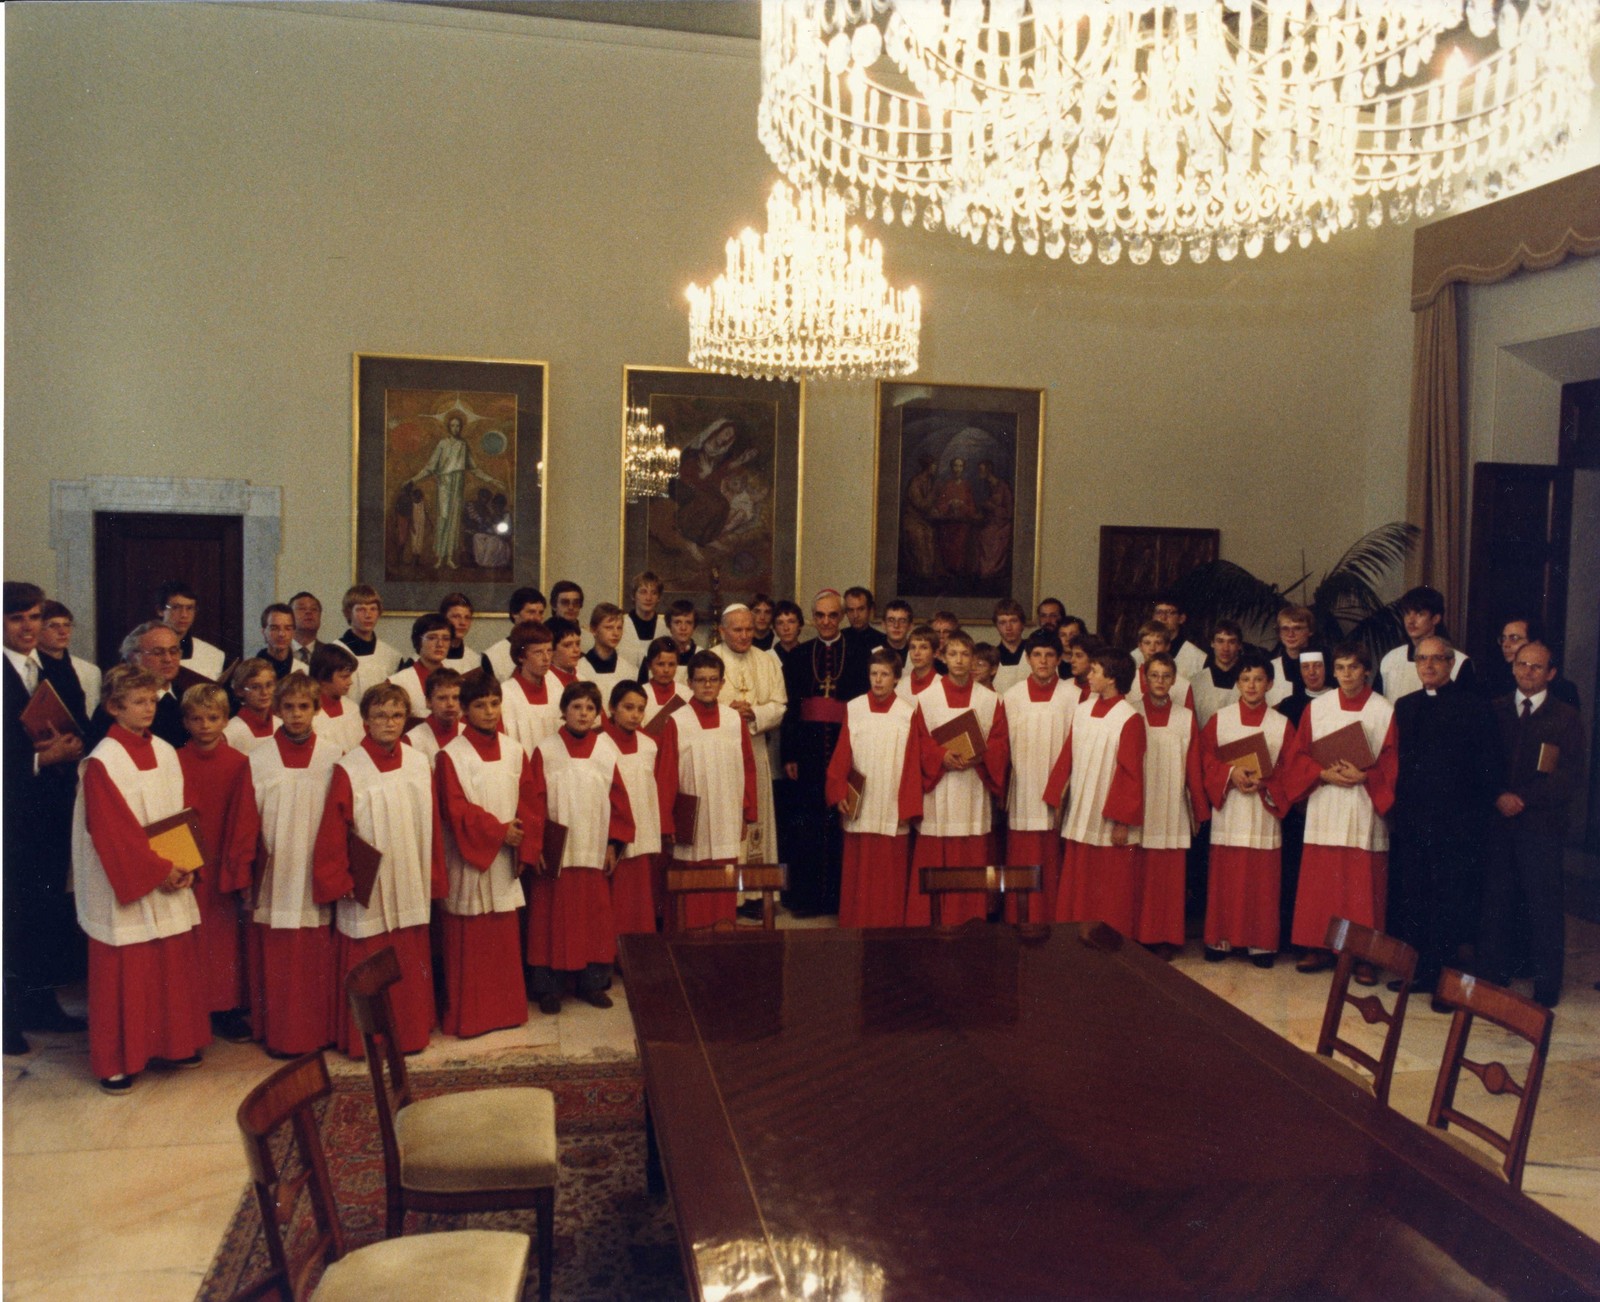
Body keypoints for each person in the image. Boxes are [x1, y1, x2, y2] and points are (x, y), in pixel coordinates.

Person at [72, 665, 210, 1092]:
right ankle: (119, 1060)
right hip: (125, 881)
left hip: (169, 872)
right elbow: (112, 832)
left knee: (169, 960)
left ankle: (175, 1044)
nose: (148, 708)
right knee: (127, 968)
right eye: (138, 702)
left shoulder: (167, 751)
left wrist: (186, 863)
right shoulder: (102, 762)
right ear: (115, 707)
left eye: (152, 700)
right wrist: (159, 870)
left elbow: (182, 810)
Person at [313, 683, 446, 1056]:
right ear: (365, 721)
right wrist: (341, 879)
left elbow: (431, 824)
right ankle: (366, 1039)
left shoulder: (420, 762)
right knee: (370, 952)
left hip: (409, 873)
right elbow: (333, 830)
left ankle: (411, 1032)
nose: (389, 723)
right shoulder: (349, 767)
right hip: (367, 882)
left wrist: (432, 873)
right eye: (380, 716)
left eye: (397, 715)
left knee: (408, 952)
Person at [226, 672, 340, 1057]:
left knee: (315, 953)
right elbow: (244, 822)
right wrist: (243, 873)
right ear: (277, 710)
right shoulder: (258, 759)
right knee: (278, 955)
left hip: (316, 869)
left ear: (316, 710)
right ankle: (280, 1034)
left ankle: (317, 1032)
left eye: (303, 707)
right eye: (288, 707)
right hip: (275, 872)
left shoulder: (333, 754)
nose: (295, 715)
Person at [1389, 636, 1503, 998]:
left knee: (1451, 902)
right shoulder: (1405, 707)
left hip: (1457, 827)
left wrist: (1471, 821)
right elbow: (1399, 767)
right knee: (1415, 897)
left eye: (1436, 659)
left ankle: (1447, 984)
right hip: (1413, 823)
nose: (1428, 666)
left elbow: (1488, 769)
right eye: (1422, 659)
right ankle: (1418, 972)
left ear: (1451, 663)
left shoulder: (1475, 708)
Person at [3, 581, 88, 1053]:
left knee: (43, 910)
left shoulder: (49, 666)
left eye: (34, 617)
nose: (29, 627)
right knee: (12, 917)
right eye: (17, 619)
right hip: (11, 819)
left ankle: (40, 1006)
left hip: (50, 811)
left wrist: (71, 749)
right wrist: (40, 759)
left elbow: (72, 720)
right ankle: (7, 1019)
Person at [1478, 641, 1586, 1008]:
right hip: (1498, 825)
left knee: (1544, 907)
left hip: (1541, 826)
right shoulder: (1493, 711)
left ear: (1551, 673)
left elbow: (1569, 775)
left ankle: (1546, 985)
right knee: (1496, 902)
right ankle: (1493, 976)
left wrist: (1521, 799)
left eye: (1537, 667)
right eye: (1522, 664)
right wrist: (1498, 795)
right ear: (1513, 668)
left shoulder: (1566, 717)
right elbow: (1482, 764)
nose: (1527, 671)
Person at [1282, 642, 1398, 977]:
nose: (1347, 674)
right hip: (1327, 800)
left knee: (1362, 883)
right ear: (1333, 672)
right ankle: (1318, 947)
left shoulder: (1383, 709)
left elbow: (1391, 761)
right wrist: (1320, 773)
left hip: (1363, 803)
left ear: (1366, 671)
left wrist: (1366, 776)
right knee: (1322, 880)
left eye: (1354, 667)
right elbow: (1297, 755)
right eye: (1341, 668)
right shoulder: (1317, 709)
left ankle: (1365, 956)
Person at [434, 669, 533, 1037]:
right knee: (470, 940)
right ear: (463, 710)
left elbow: (530, 798)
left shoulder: (514, 750)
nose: (490, 712)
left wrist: (522, 838)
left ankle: (506, 1012)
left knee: (503, 939)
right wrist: (497, 831)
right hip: (470, 860)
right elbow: (455, 808)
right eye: (479, 705)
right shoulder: (451, 756)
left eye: (494, 703)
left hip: (506, 858)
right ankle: (471, 1018)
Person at [524, 681, 633, 1012]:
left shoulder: (604, 751)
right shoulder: (546, 749)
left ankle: (592, 982)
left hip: (593, 846)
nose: (583, 714)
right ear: (564, 711)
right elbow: (533, 801)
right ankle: (548, 988)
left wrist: (614, 844)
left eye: (590, 708)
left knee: (593, 917)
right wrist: (536, 845)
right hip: (557, 850)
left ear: (598, 713)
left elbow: (618, 801)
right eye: (577, 707)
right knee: (549, 918)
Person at [907, 630, 1009, 927]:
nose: (960, 660)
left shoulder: (990, 699)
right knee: (935, 851)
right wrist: (940, 756)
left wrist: (983, 755)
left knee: (971, 851)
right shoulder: (926, 699)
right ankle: (929, 917)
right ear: (943, 657)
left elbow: (1000, 741)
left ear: (974, 658)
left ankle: (970, 915)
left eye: (966, 654)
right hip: (940, 785)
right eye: (953, 654)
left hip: (973, 784)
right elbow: (919, 740)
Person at [1199, 649, 1291, 966]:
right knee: (1227, 873)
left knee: (1261, 878)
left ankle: (1260, 943)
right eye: (1245, 679)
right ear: (1237, 683)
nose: (1251, 685)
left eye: (1258, 679)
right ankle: (1219, 940)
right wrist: (1230, 773)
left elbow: (1291, 769)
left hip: (1263, 811)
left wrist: (1267, 782)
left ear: (1269, 684)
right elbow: (1205, 759)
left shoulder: (1281, 724)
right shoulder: (1219, 720)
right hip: (1231, 809)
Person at [1044, 648, 1145, 935]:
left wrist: (1122, 820)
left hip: (1108, 814)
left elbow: (1131, 773)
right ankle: (1073, 934)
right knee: (1079, 877)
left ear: (1111, 678)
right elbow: (1068, 754)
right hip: (1081, 808)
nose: (1089, 675)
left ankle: (1107, 938)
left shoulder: (1129, 718)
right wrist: (1055, 795)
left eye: (1095, 671)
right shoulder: (1083, 709)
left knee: (1108, 882)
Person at [177, 682, 253, 1044]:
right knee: (191, 937)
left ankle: (225, 1007)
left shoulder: (239, 763)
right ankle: (192, 1008)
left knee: (224, 938)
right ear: (186, 722)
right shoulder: (174, 760)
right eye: (196, 718)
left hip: (224, 859)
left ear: (226, 720)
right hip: (189, 862)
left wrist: (236, 864)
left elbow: (244, 817)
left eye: (213, 717)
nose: (205, 725)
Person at [826, 648, 923, 927]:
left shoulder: (907, 712)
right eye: (874, 673)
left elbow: (912, 762)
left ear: (896, 679)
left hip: (892, 802)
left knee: (888, 875)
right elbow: (842, 753)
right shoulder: (854, 707)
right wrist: (838, 791)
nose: (878, 680)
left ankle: (889, 928)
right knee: (859, 871)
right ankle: (854, 926)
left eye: (885, 674)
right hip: (862, 802)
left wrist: (908, 806)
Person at [780, 590, 863, 915]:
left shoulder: (857, 653)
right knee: (808, 824)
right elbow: (790, 709)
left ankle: (839, 900)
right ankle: (808, 899)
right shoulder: (799, 655)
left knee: (841, 823)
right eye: (820, 616)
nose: (826, 622)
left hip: (845, 746)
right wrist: (789, 754)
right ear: (812, 618)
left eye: (832, 615)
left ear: (840, 617)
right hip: (808, 751)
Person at [663, 652, 758, 928]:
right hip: (692, 816)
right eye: (701, 680)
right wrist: (667, 821)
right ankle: (690, 942)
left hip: (726, 812)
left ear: (722, 683)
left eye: (713, 680)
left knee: (723, 877)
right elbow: (666, 774)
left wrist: (746, 812)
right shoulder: (677, 721)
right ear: (689, 682)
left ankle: (723, 938)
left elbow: (747, 767)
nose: (707, 685)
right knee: (692, 882)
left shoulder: (733, 720)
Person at [1132, 651, 1207, 956]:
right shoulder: (1131, 712)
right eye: (1154, 675)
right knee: (1141, 873)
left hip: (1173, 803)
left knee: (1169, 877)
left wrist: (1198, 808)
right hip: (1142, 803)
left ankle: (1165, 936)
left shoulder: (1186, 717)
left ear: (1174, 680)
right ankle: (1139, 934)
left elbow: (1194, 766)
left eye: (1166, 676)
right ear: (1144, 678)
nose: (1160, 681)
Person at [1001, 631, 1075, 921]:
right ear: (1028, 658)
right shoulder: (1012, 696)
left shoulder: (1073, 695)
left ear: (1058, 658)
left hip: (1059, 788)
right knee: (1023, 853)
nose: (1043, 661)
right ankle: (1020, 917)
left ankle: (1054, 917)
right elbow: (1002, 745)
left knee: (1055, 854)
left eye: (1049, 655)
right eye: (1036, 655)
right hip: (1023, 787)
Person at [710, 604, 786, 869]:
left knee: (758, 817)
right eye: (737, 629)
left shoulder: (766, 660)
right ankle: (725, 893)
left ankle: (754, 891)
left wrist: (754, 713)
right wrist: (727, 714)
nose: (744, 636)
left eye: (749, 629)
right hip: (719, 755)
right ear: (722, 631)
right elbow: (695, 705)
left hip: (755, 750)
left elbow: (779, 706)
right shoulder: (709, 659)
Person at [605, 680, 674, 936]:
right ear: (612, 708)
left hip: (643, 833)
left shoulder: (649, 745)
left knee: (640, 898)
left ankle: (640, 953)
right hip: (615, 837)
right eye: (628, 707)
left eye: (640, 709)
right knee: (617, 899)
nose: (635, 715)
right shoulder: (600, 744)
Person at [406, 412, 508, 569]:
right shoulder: (442, 444)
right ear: (448, 427)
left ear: (461, 427)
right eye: (452, 425)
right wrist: (412, 480)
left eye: (458, 426)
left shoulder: (463, 445)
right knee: (444, 519)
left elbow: (474, 469)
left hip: (457, 486)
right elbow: (430, 467)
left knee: (453, 522)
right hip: (445, 485)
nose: (455, 428)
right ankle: (440, 557)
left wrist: (491, 479)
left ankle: (449, 558)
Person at [86, 622, 189, 750]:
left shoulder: (187, 697)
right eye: (158, 652)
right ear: (134, 657)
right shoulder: (116, 705)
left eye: (173, 651)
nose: (168, 659)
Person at [1379, 586, 1476, 703]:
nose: (1410, 621)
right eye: (1407, 613)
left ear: (1435, 619)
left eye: (1419, 614)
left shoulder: (1460, 662)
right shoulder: (1390, 659)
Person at [1483, 615, 1581, 708]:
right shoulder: (1494, 683)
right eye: (1503, 638)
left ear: (1535, 642)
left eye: (1514, 638)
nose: (1505, 644)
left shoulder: (1563, 690)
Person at [501, 621, 564, 756]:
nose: (546, 658)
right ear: (521, 656)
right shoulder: (505, 694)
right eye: (538, 653)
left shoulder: (558, 689)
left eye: (549, 651)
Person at [37, 600, 100, 726]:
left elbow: (89, 714)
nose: (63, 631)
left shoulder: (88, 670)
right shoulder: (31, 667)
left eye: (67, 624)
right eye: (53, 625)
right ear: (37, 629)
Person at [337, 584, 404, 700]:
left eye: (373, 609)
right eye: (361, 609)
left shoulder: (392, 656)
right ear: (348, 613)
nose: (368, 615)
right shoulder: (335, 652)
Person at [156, 580, 226, 682]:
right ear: (160, 610)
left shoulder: (213, 655)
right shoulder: (142, 650)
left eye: (189, 608)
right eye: (176, 607)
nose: (184, 615)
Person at [389, 613, 453, 718]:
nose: (440, 644)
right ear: (418, 641)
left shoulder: (456, 680)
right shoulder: (397, 682)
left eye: (446, 638)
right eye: (432, 638)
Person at [579, 602, 638, 708]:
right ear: (593, 629)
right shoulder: (579, 669)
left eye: (619, 628)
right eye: (609, 628)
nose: (616, 633)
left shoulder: (629, 670)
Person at [308, 642, 364, 754]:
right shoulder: (309, 714)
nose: (350, 682)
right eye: (344, 677)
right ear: (323, 676)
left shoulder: (352, 708)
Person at [1135, 594, 1207, 680]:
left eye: (1170, 613)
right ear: (1153, 617)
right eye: (1159, 612)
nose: (1163, 618)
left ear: (1181, 618)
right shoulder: (1137, 655)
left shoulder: (1197, 658)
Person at [1126, 620, 1194, 712]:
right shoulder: (1127, 680)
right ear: (1140, 646)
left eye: (1158, 643)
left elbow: (1188, 721)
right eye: (1147, 643)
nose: (1152, 648)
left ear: (1167, 646)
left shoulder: (1183, 685)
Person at [1189, 620, 1246, 728]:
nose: (1225, 648)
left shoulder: (1248, 682)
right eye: (1220, 641)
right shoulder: (1196, 682)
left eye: (1232, 642)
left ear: (1239, 645)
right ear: (1212, 643)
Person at [484, 586, 546, 682]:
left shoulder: (548, 650)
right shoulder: (494, 656)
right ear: (514, 613)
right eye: (531, 612)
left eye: (540, 613)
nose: (537, 618)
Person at [1265, 605, 1322, 708]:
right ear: (1279, 633)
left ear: (1310, 631)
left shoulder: (1323, 665)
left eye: (1297, 628)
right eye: (1285, 629)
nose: (1290, 634)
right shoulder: (1270, 667)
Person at [405, 666, 464, 765]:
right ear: (428, 702)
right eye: (442, 698)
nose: (450, 704)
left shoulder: (469, 733)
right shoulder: (412, 740)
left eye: (456, 697)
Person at [224, 658, 279, 755]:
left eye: (269, 685)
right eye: (255, 687)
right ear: (240, 691)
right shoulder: (230, 731)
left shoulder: (281, 725)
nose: (264, 692)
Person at [973, 459, 1014, 585]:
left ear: (988, 470)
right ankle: (979, 572)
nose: (979, 472)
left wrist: (992, 507)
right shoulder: (987, 486)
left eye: (981, 470)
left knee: (986, 535)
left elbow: (1009, 512)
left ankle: (989, 572)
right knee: (974, 534)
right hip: (991, 522)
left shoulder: (1003, 487)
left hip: (1002, 525)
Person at [639, 637, 690, 729]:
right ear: (649, 665)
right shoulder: (640, 693)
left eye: (671, 664)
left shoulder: (687, 694)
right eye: (660, 664)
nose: (666, 670)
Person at [618, 571, 668, 666]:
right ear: (633, 595)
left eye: (653, 593)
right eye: (643, 592)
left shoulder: (666, 627)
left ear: (659, 598)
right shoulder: (621, 624)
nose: (648, 598)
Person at [990, 599, 1029, 695]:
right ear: (997, 626)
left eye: (1013, 621)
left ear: (1022, 624)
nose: (1008, 627)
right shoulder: (991, 656)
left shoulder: (1034, 652)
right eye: (1002, 622)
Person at [438, 591, 484, 671]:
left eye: (467, 617)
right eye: (456, 616)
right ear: (443, 618)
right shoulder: (426, 659)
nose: (463, 623)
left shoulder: (475, 661)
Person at [253, 603, 300, 681]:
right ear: (264, 632)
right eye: (274, 628)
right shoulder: (252, 670)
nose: (281, 634)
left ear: (293, 632)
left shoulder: (302, 669)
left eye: (287, 628)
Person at [896, 624, 942, 702]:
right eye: (913, 647)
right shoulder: (901, 685)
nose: (916, 653)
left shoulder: (942, 685)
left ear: (936, 653)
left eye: (923, 647)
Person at [841, 586, 882, 663]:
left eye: (861, 609)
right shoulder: (839, 639)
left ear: (870, 610)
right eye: (850, 610)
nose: (855, 615)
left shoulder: (882, 640)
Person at [288, 591, 323, 668]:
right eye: (301, 608)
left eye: (314, 609)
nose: (308, 612)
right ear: (289, 617)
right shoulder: (277, 653)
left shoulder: (330, 654)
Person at [666, 599, 701, 674]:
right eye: (677, 622)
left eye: (688, 623)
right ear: (669, 625)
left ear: (694, 626)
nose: (683, 628)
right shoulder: (660, 653)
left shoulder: (701, 655)